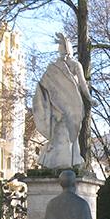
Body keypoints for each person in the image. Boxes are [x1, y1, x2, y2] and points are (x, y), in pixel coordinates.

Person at [33, 33, 92, 169]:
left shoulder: (75, 64)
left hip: (73, 104)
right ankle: (62, 161)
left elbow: (83, 84)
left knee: (72, 132)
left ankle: (72, 159)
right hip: (58, 105)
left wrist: (89, 98)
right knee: (60, 131)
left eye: (62, 47)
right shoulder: (52, 68)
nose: (60, 50)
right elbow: (43, 86)